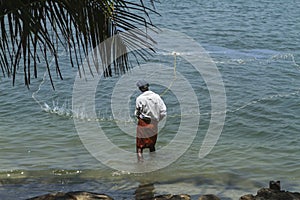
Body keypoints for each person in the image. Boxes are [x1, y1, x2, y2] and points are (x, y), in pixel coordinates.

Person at [135, 80, 167, 161]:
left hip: (143, 123)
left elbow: (137, 113)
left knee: (139, 147)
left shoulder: (139, 99)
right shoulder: (157, 97)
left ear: (140, 89)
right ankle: (153, 164)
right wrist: (157, 120)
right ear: (148, 86)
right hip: (154, 124)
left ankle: (141, 166)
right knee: (152, 145)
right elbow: (163, 112)